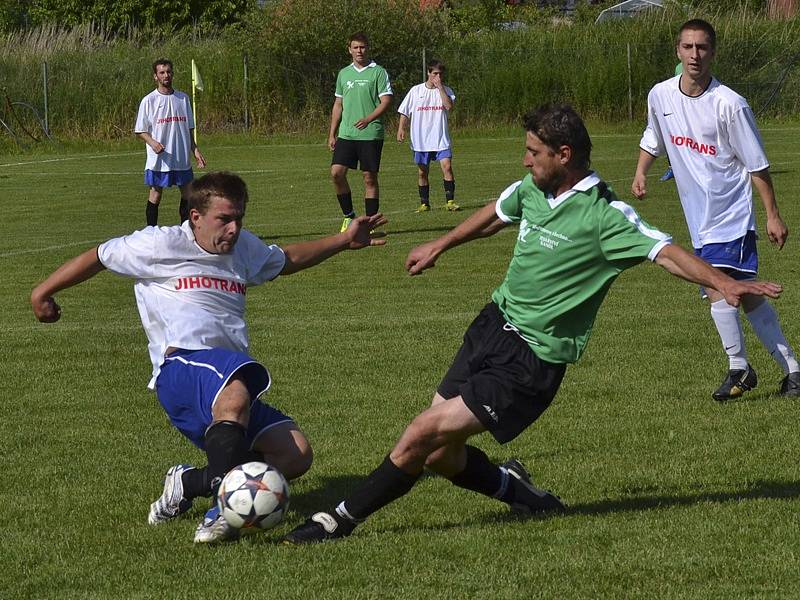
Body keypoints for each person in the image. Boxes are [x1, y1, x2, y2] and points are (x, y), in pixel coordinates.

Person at [282, 104, 782, 544]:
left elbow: (666, 253)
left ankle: (337, 520)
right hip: (491, 326)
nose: (525, 159)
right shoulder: (533, 188)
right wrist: (440, 244)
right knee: (438, 455)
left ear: (563, 154)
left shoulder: (606, 214)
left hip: (532, 361)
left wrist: (724, 282)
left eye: (533, 151)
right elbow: (496, 214)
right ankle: (519, 492)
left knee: (421, 434)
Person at [30, 171, 387, 544]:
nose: (233, 229)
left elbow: (286, 258)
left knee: (294, 454)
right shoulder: (159, 244)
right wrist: (43, 292)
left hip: (225, 375)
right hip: (181, 365)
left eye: (239, 219)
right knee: (235, 394)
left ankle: (190, 481)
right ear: (195, 217)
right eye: (224, 219)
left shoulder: (242, 248)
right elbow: (100, 255)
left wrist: (344, 240)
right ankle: (222, 515)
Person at [631, 18, 800, 401]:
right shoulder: (660, 95)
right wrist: (641, 172)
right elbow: (653, 138)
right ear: (678, 51)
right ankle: (793, 371)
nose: (695, 55)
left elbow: (757, 164)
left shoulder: (730, 104)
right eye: (688, 47)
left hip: (731, 215)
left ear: (713, 53)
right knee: (744, 293)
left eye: (702, 48)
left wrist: (772, 214)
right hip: (699, 219)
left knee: (716, 287)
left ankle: (739, 368)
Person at [329, 32, 393, 232]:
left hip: (370, 133)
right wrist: (332, 133)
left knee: (369, 178)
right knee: (336, 173)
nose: (359, 51)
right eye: (355, 47)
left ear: (368, 48)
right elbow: (338, 104)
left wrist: (368, 119)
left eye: (363, 47)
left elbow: (386, 101)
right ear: (349, 50)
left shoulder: (378, 72)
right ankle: (349, 217)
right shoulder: (343, 74)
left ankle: (371, 224)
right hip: (346, 134)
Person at [135, 58, 206, 227]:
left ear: (172, 73)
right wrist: (152, 142)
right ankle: (150, 233)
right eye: (162, 72)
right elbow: (140, 130)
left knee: (188, 194)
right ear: (155, 76)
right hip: (160, 160)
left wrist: (195, 151)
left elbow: (189, 130)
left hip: (181, 158)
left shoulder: (183, 99)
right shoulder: (149, 100)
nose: (166, 75)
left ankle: (186, 232)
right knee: (156, 194)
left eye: (168, 72)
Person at [397, 59, 460, 213]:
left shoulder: (446, 91)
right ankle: (425, 203)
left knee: (447, 167)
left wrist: (440, 88)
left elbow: (448, 106)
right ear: (428, 73)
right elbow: (404, 111)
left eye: (440, 74)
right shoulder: (416, 91)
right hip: (421, 140)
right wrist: (401, 129)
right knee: (422, 172)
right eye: (434, 74)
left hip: (440, 138)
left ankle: (450, 201)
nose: (437, 77)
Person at [659, 65, 684, 183]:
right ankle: (672, 168)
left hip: (690, 108)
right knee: (670, 137)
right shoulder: (678, 67)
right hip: (677, 107)